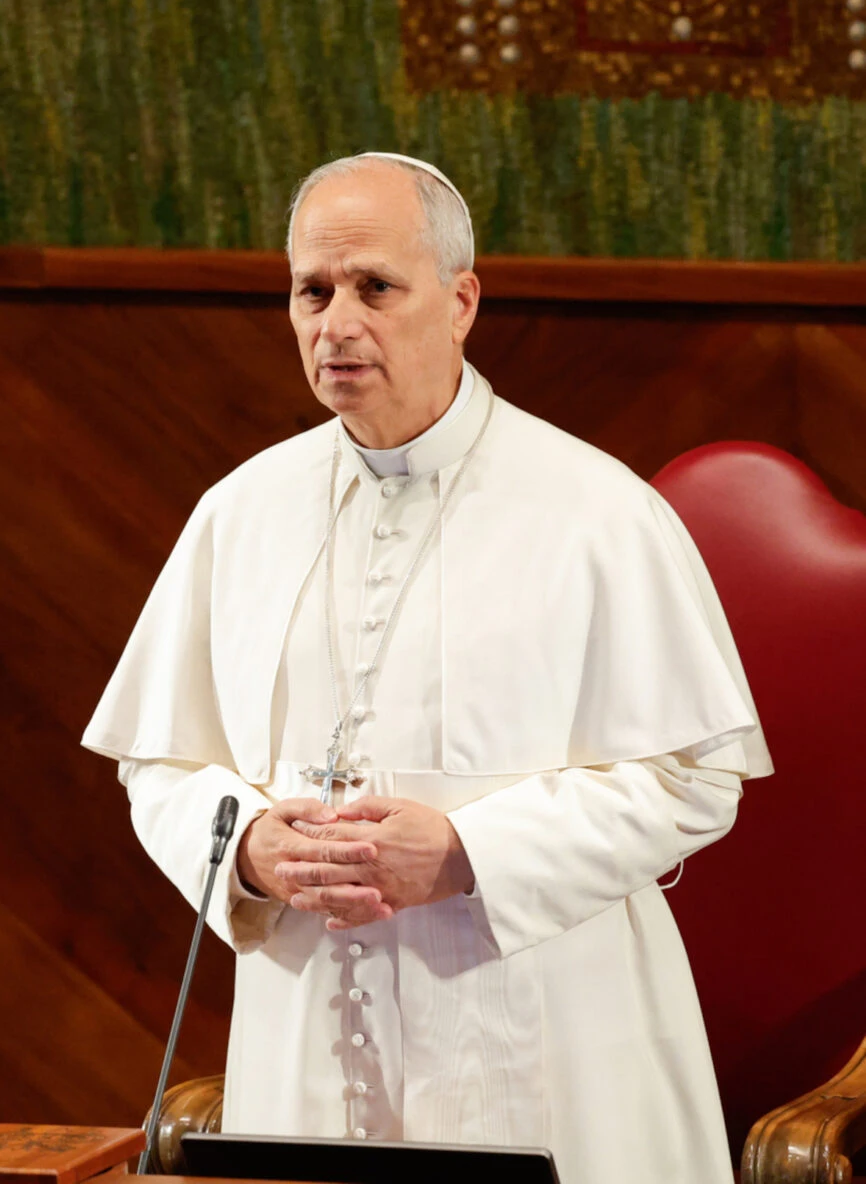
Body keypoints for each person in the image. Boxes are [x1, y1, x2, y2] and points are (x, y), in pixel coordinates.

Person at [83, 151, 773, 1184]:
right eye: (312, 291)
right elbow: (160, 765)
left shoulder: (598, 511)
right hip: (303, 1030)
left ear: (460, 302)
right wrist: (248, 853)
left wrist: (469, 851)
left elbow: (695, 775)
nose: (336, 322)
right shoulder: (239, 514)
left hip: (543, 1034)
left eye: (375, 287)